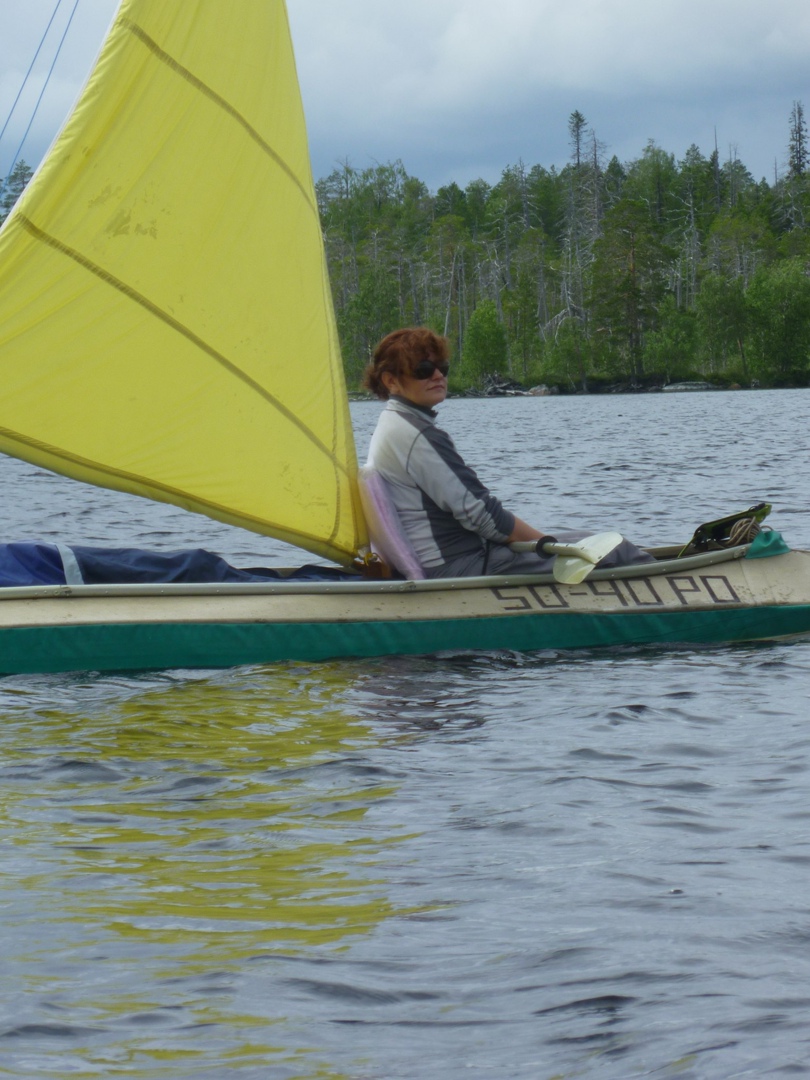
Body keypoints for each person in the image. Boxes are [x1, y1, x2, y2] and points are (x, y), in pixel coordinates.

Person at [362, 326, 654, 579]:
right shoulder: (417, 434)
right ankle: (679, 596)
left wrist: (551, 547)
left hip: (455, 559)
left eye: (443, 368)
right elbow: (484, 515)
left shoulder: (394, 424)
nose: (438, 375)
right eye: (423, 370)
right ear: (391, 381)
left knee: (595, 544)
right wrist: (550, 545)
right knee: (616, 548)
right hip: (461, 566)